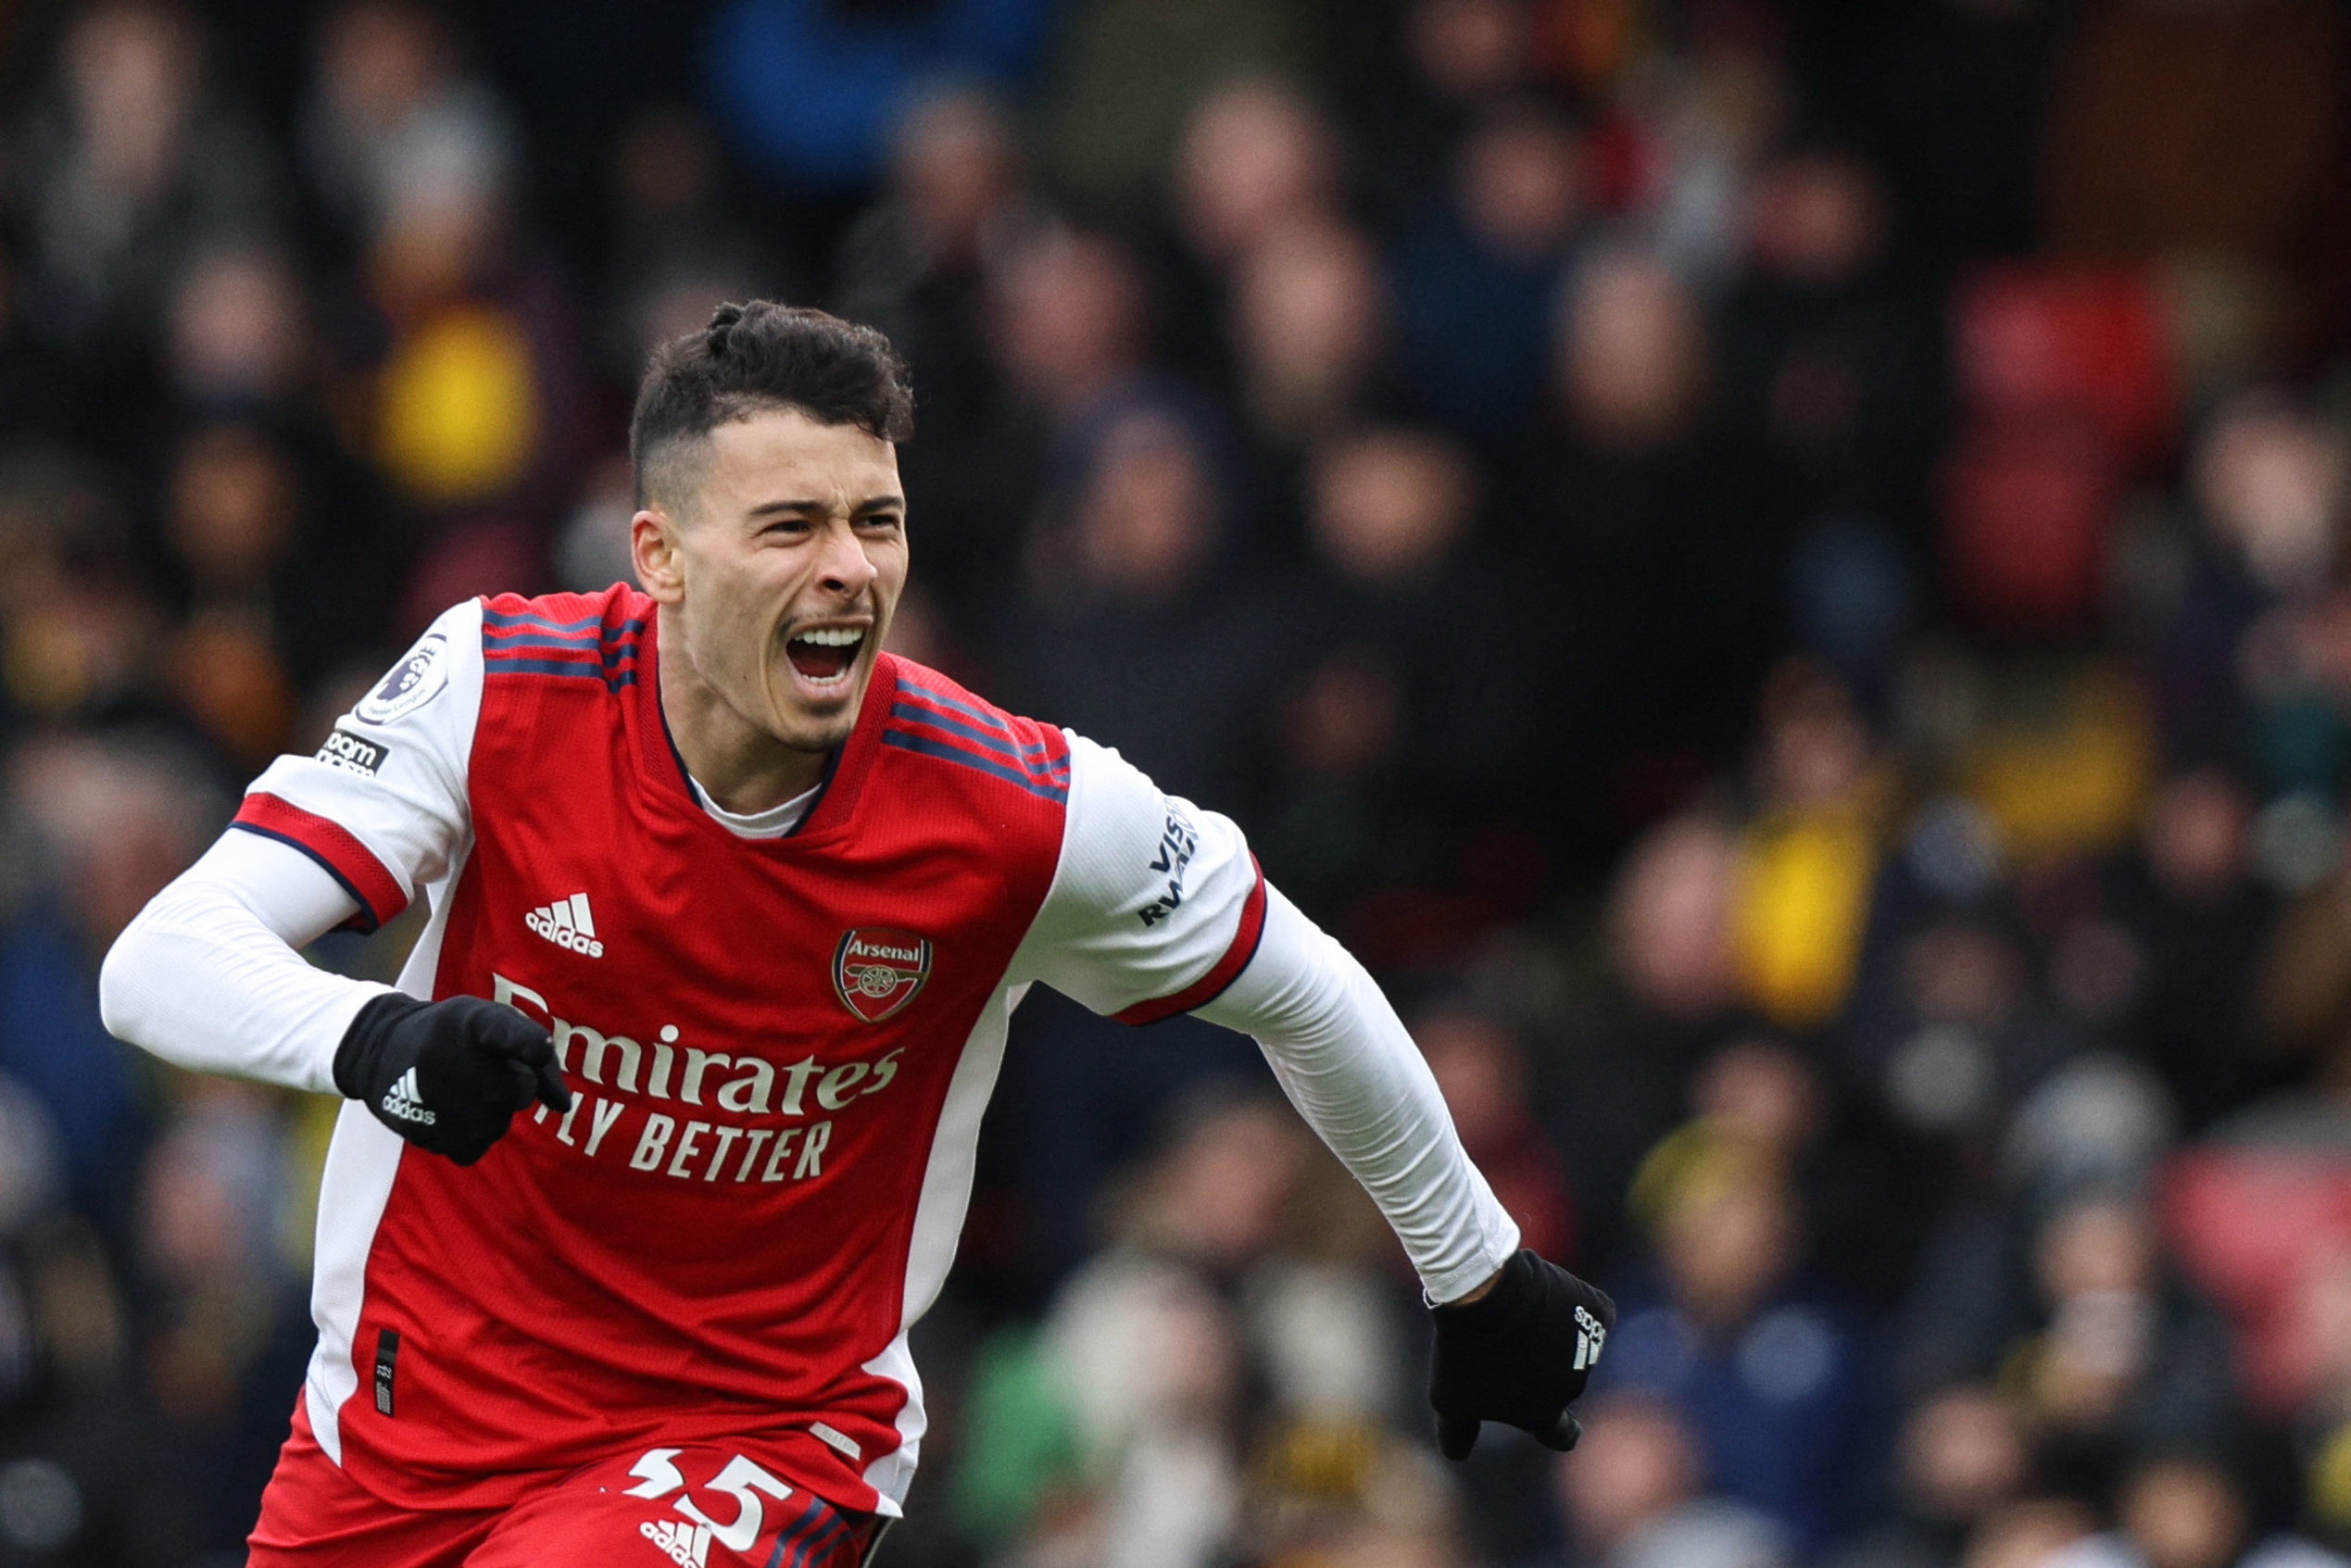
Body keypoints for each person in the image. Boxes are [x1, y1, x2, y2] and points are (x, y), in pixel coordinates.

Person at [97, 301, 1614, 1565]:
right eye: (791, 525)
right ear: (660, 554)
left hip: (757, 1429)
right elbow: (157, 962)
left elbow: (1302, 986)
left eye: (874, 521)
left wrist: (1476, 1272)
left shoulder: (1018, 809)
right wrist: (373, 1036)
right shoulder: (497, 686)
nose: (849, 568)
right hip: (413, 1417)